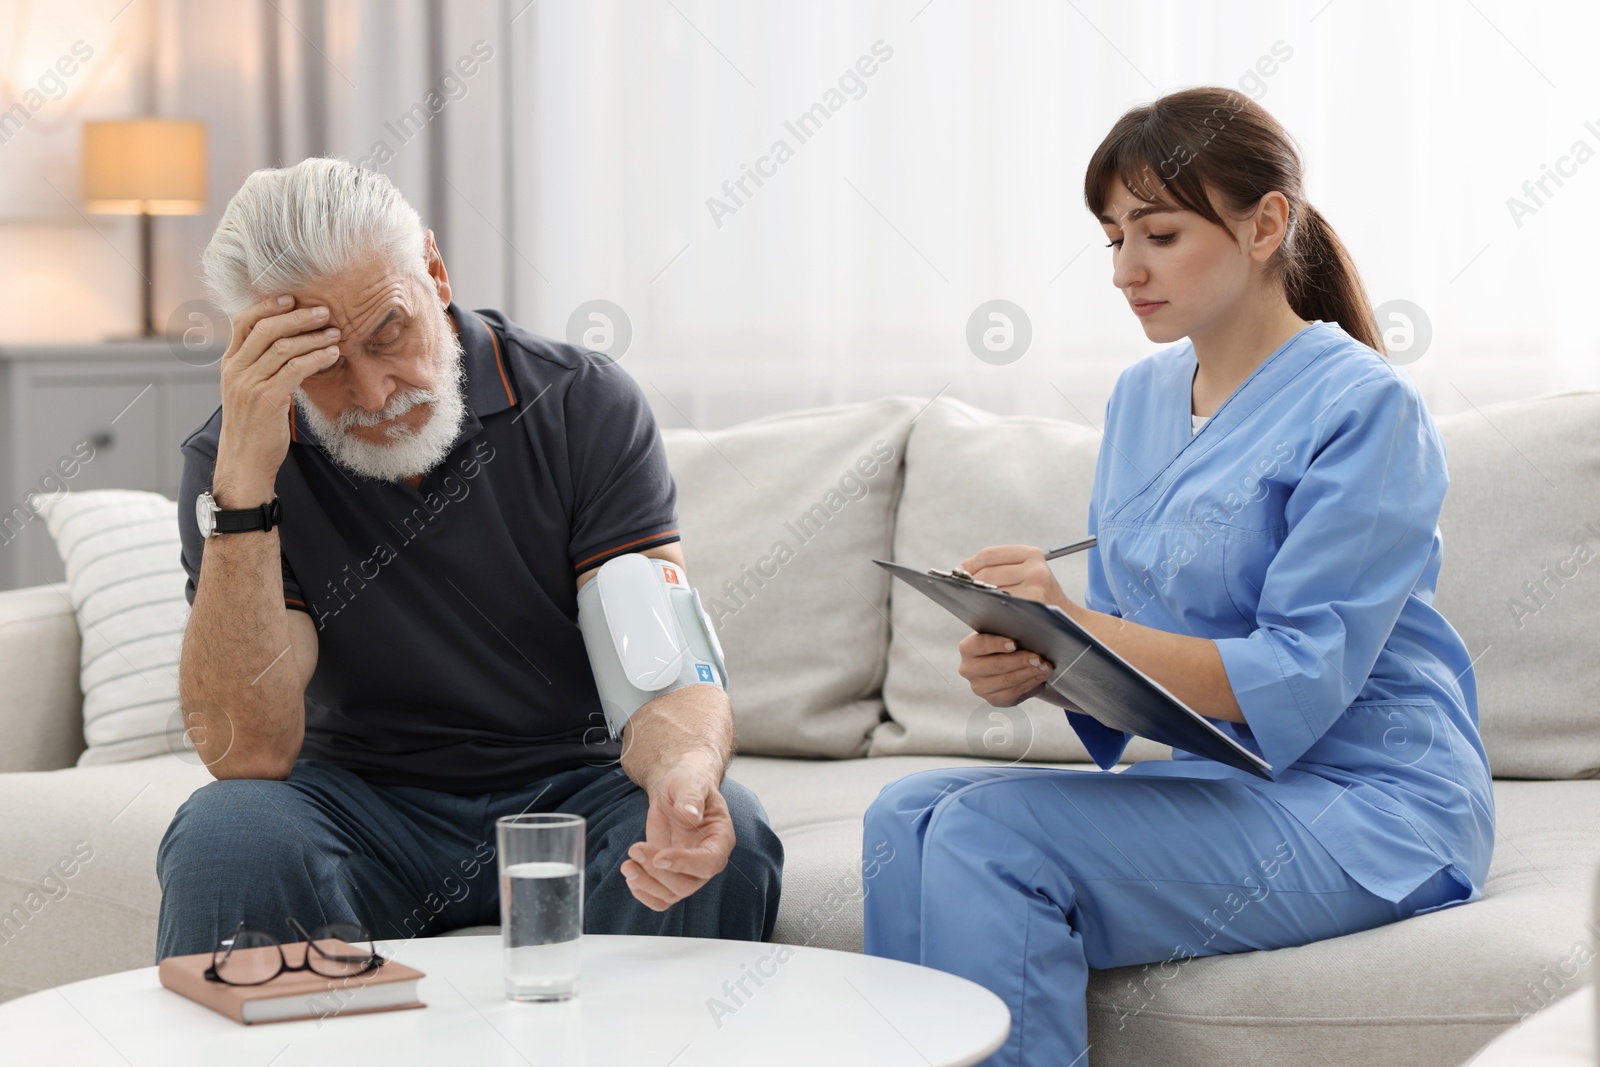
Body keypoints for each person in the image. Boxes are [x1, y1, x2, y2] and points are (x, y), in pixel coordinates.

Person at [861, 87, 1493, 1066]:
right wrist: (1040, 655)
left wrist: (1074, 622)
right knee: (903, 813)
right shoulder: (1141, 399)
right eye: (1112, 238)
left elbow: (1296, 675)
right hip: (1230, 777)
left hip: (1370, 802)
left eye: (1155, 233)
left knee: (990, 832)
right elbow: (1128, 634)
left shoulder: (1364, 409)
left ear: (1264, 223)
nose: (1124, 269)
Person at [155, 157, 782, 961]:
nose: (377, 393)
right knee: (225, 832)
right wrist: (244, 485)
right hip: (359, 807)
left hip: (575, 792)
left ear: (436, 271)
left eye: (389, 332)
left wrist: (686, 771)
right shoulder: (231, 462)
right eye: (324, 365)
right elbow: (248, 751)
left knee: (734, 838)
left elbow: (662, 671)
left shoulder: (580, 403)